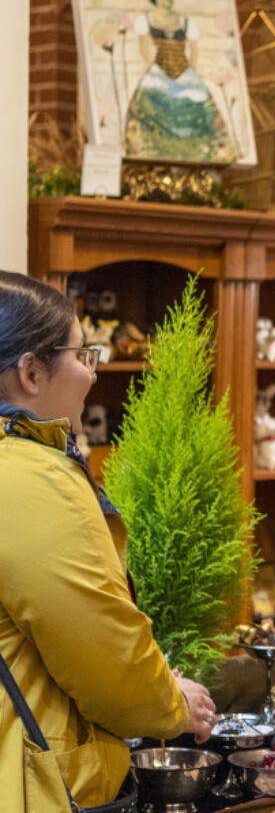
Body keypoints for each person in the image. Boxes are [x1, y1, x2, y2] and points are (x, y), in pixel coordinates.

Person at [0, 271, 216, 810]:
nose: (93, 376)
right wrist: (172, 702)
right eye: (82, 355)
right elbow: (105, 656)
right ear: (30, 371)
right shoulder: (31, 478)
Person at [124, 0, 235, 163]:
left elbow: (193, 49)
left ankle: (198, 152)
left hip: (184, 72)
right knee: (148, 109)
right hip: (158, 72)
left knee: (200, 108)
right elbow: (144, 47)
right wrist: (154, 68)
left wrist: (190, 72)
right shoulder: (146, 21)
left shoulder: (184, 22)